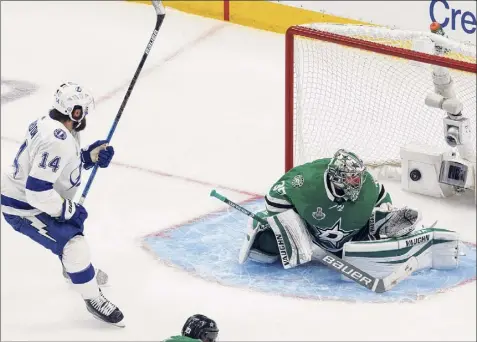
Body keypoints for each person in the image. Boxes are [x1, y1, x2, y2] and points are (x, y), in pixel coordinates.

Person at [1, 82, 124, 327]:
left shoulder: (54, 127)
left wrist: (89, 157)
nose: (86, 114)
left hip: (30, 197)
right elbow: (37, 192)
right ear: (74, 112)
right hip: (24, 207)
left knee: (70, 237)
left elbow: (55, 167)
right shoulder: (58, 141)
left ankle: (74, 271)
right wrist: (68, 210)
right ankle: (93, 298)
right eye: (83, 110)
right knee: (74, 244)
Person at [239, 149, 421, 268]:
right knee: (266, 250)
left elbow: (382, 196)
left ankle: (386, 225)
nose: (358, 182)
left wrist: (384, 210)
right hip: (310, 230)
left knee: (363, 254)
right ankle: (260, 230)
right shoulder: (305, 181)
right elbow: (273, 200)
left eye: (357, 178)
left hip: (347, 237)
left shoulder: (368, 184)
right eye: (352, 179)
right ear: (337, 178)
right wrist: (293, 228)